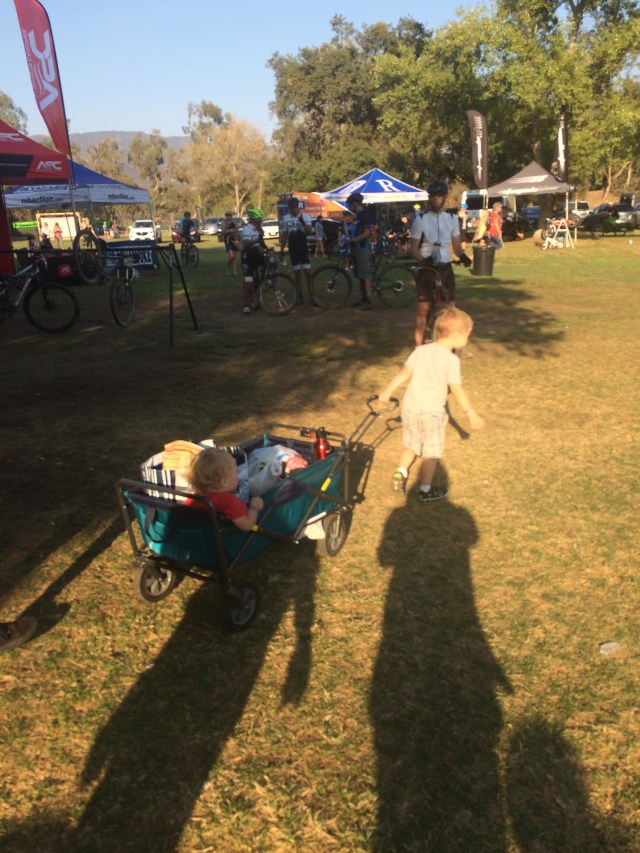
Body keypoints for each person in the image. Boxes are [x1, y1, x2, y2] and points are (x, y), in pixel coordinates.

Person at [378, 306, 486, 502]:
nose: (466, 341)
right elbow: (456, 388)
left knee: (410, 444)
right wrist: (471, 413)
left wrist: (387, 391)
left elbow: (405, 373)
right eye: (467, 336)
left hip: (410, 408)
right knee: (431, 453)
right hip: (432, 412)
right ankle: (425, 490)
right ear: (456, 336)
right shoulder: (452, 360)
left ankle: (400, 472)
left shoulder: (420, 351)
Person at [410, 179, 472, 347]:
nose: (435, 198)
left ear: (444, 197)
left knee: (450, 309)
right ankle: (418, 347)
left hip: (445, 266)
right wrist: (423, 259)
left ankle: (449, 346)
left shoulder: (452, 218)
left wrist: (463, 256)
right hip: (427, 267)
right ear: (429, 198)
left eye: (439, 195)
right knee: (422, 310)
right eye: (433, 195)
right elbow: (413, 248)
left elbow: (456, 247)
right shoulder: (421, 219)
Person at [187, 448, 263, 532]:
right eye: (236, 471)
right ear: (224, 482)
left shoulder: (193, 499)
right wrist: (255, 507)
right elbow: (247, 525)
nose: (238, 475)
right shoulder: (230, 502)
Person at [279, 197, 313, 305]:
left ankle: (312, 296)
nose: (293, 210)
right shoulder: (285, 218)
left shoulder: (306, 217)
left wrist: (303, 222)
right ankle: (299, 296)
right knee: (297, 274)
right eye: (291, 208)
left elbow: (309, 233)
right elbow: (284, 236)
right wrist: (281, 250)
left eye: (295, 207)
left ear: (298, 207)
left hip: (303, 247)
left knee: (308, 272)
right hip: (293, 248)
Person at [345, 192, 374, 309]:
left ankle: (368, 301)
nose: (350, 206)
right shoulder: (357, 216)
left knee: (365, 275)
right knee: (360, 275)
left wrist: (354, 240)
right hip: (357, 248)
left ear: (356, 203)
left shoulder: (364, 215)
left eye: (351, 204)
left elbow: (366, 233)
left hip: (363, 248)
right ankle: (363, 298)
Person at [240, 208, 267, 314]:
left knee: (272, 261)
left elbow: (261, 238)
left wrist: (261, 246)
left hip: (256, 254)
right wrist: (257, 241)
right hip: (247, 257)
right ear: (254, 220)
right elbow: (246, 242)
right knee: (248, 283)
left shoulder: (257, 229)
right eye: (260, 220)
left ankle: (267, 278)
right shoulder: (247, 229)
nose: (261, 221)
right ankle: (246, 305)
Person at [221, 211, 240, 276]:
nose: (228, 217)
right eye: (227, 215)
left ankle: (234, 271)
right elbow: (223, 231)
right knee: (231, 256)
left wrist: (235, 231)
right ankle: (228, 267)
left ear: (231, 216)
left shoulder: (234, 222)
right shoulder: (224, 222)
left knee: (235, 256)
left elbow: (237, 230)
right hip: (228, 240)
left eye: (229, 215)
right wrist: (229, 230)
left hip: (234, 240)